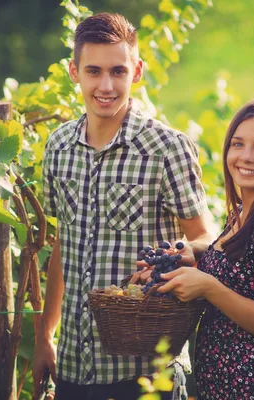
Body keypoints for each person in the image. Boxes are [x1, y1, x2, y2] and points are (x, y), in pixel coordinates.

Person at [33, 12, 215, 400]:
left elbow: (203, 237)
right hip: (71, 370)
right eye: (93, 71)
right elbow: (63, 248)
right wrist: (45, 337)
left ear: (137, 72)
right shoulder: (58, 148)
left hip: (143, 375)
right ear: (74, 72)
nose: (105, 85)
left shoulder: (166, 149)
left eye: (118, 71)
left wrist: (175, 258)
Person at [158, 95, 254, 399]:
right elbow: (241, 273)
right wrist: (196, 253)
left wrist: (209, 286)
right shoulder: (241, 215)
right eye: (238, 144)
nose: (246, 156)